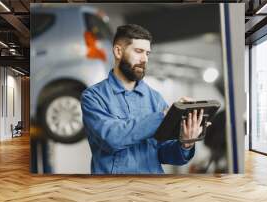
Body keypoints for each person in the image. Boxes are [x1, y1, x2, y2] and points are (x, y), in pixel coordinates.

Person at [81, 24, 208, 174]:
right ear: (118, 51)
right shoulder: (93, 96)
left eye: (147, 53)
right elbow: (112, 138)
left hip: (152, 189)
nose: (144, 59)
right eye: (139, 51)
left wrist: (186, 143)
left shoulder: (155, 98)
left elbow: (163, 152)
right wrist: (163, 117)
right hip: (113, 190)